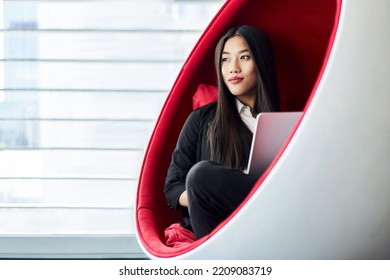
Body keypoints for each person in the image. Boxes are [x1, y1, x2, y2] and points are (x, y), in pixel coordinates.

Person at [164, 25, 280, 240]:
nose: (233, 68)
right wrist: (203, 195)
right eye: (225, 59)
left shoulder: (285, 124)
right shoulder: (201, 120)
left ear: (261, 63)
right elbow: (173, 188)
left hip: (268, 217)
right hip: (218, 223)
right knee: (201, 175)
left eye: (244, 57)